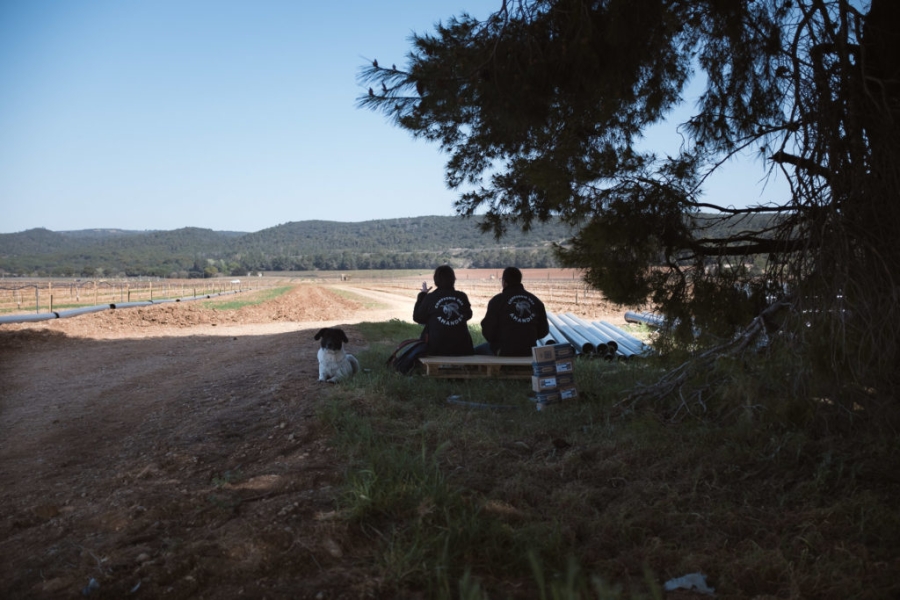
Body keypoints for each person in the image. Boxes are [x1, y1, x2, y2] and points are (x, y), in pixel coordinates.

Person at [476, 267, 550, 356]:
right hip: (529, 351)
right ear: (520, 280)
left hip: (503, 351)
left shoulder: (497, 301)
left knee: (474, 352)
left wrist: (499, 343)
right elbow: (544, 331)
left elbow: (488, 330)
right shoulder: (536, 301)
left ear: (504, 282)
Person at [412, 265, 475, 356]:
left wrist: (422, 295)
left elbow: (417, 317)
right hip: (462, 349)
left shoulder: (430, 297)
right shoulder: (462, 296)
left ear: (436, 280)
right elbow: (468, 315)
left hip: (435, 350)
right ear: (453, 279)